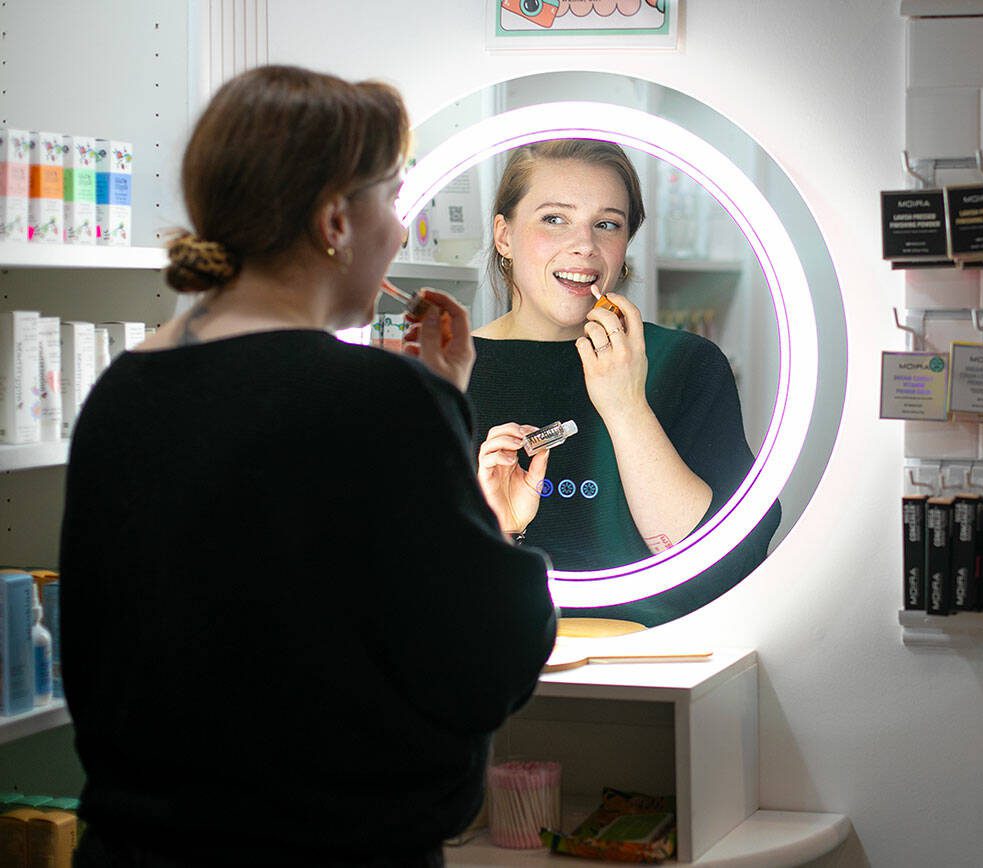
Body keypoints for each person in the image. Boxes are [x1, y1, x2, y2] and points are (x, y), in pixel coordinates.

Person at [59, 65, 556, 867]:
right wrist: (443, 424)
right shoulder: (375, 398)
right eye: (392, 202)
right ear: (334, 220)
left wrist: (430, 407)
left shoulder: (124, 388)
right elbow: (488, 657)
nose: (399, 232)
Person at [463, 139, 779, 627]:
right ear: (503, 235)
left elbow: (723, 564)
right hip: (492, 659)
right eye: (554, 219)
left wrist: (625, 404)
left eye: (607, 224)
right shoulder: (447, 373)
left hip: (663, 660)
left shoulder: (688, 363)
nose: (584, 245)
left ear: (626, 242)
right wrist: (501, 532)